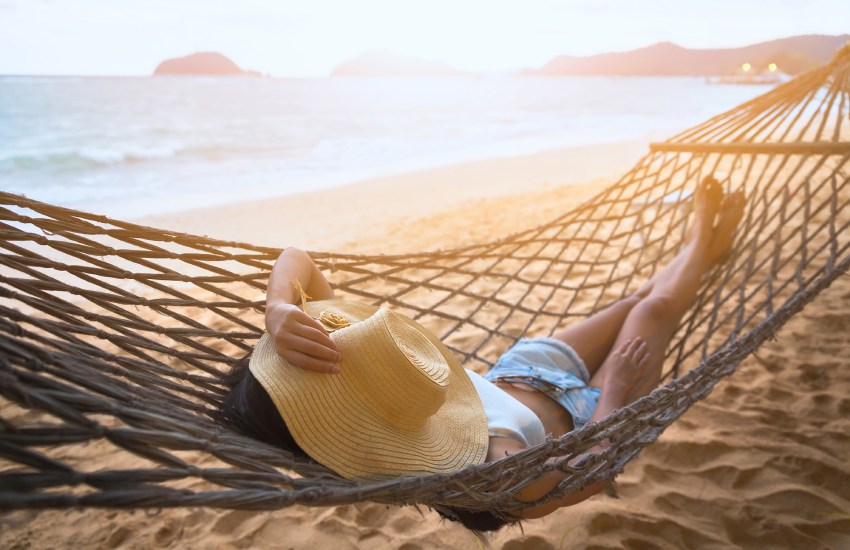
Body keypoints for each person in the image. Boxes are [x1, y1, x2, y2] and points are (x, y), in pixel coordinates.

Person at [220, 176, 746, 534]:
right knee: (652, 312)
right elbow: (586, 478)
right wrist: (615, 391)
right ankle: (701, 241)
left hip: (525, 368)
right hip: (591, 414)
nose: (337, 364)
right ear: (335, 424)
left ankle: (699, 252)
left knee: (634, 300)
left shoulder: (366, 383)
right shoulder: (485, 470)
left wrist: (278, 310)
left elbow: (300, 261)